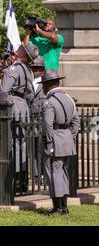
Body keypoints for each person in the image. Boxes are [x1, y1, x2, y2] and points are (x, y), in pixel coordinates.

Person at [0, 43, 39, 193]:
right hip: (23, 108)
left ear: (24, 55)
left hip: (12, 107)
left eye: (22, 49)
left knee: (13, 145)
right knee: (21, 145)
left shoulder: (14, 68)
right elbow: (31, 94)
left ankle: (13, 183)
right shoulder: (28, 70)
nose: (19, 48)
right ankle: (22, 181)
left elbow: (4, 91)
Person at [41, 69, 80, 215]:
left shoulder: (49, 102)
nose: (43, 88)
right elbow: (76, 122)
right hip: (67, 141)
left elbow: (47, 125)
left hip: (55, 141)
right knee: (63, 173)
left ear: (49, 84)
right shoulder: (69, 99)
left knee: (53, 173)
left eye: (44, 85)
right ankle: (64, 207)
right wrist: (70, 137)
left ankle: (57, 207)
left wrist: (49, 144)